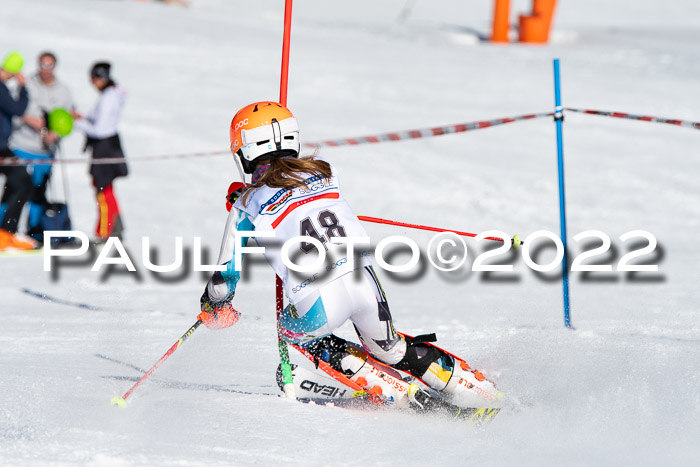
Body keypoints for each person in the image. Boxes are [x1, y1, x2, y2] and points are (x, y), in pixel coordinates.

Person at [199, 101, 503, 409]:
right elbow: (289, 189)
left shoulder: (245, 207)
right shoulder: (325, 170)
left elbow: (225, 274)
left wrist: (215, 304)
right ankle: (475, 387)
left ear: (244, 153)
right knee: (390, 348)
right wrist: (249, 194)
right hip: (363, 279)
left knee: (292, 330)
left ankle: (397, 393)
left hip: (317, 297)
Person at [10, 51, 74, 242]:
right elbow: (13, 110)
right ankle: (6, 230)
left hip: (45, 152)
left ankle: (34, 231)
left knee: (38, 192)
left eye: (49, 66)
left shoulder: (64, 91)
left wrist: (56, 133)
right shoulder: (26, 84)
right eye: (42, 65)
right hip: (21, 146)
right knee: (15, 190)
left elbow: (67, 118)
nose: (45, 70)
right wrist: (32, 121)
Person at [73, 61, 127, 242]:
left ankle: (104, 232)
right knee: (107, 189)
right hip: (109, 145)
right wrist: (84, 117)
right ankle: (116, 227)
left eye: (93, 80)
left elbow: (100, 129)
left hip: (104, 147)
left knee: (102, 189)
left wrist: (76, 124)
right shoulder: (112, 94)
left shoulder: (108, 98)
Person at [0, 51, 36, 251]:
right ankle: (5, 233)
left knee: (19, 183)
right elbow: (18, 109)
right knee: (24, 183)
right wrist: (23, 88)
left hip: (4, 147)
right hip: (1, 148)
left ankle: (6, 232)